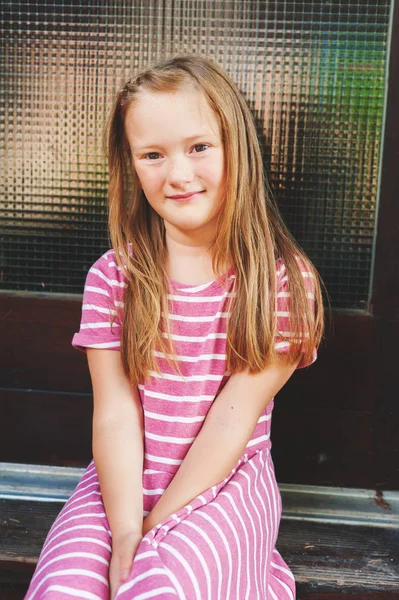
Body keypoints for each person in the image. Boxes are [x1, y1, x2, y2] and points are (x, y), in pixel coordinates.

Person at [25, 54, 324, 600]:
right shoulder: (115, 276)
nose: (178, 174)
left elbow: (232, 423)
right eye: (153, 155)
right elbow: (115, 412)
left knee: (160, 587)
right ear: (132, 166)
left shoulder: (282, 281)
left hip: (224, 486)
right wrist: (124, 533)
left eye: (199, 147)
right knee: (65, 588)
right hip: (119, 482)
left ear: (236, 146)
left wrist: (155, 531)